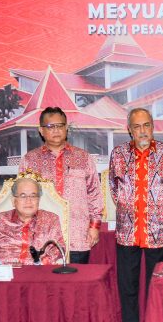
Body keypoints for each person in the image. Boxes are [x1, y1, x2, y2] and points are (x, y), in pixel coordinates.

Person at [109, 108, 163, 322]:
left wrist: (160, 209)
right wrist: (128, 206)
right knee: (127, 283)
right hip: (127, 229)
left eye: (146, 125)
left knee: (156, 282)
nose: (142, 131)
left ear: (153, 126)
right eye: (137, 126)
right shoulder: (118, 154)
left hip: (157, 229)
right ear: (129, 129)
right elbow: (114, 187)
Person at [19, 107, 103, 264]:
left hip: (77, 235)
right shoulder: (30, 160)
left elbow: (94, 194)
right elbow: (21, 199)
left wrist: (94, 226)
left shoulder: (83, 158)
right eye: (50, 126)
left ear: (66, 128)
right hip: (41, 238)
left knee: (79, 279)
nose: (56, 130)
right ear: (41, 130)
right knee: (44, 280)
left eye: (60, 125)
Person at [0, 178, 64, 265]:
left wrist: (41, 263)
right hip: (5, 270)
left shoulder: (51, 219)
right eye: (23, 196)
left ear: (38, 200)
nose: (28, 201)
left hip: (38, 270)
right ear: (13, 201)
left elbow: (58, 248)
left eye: (33, 196)